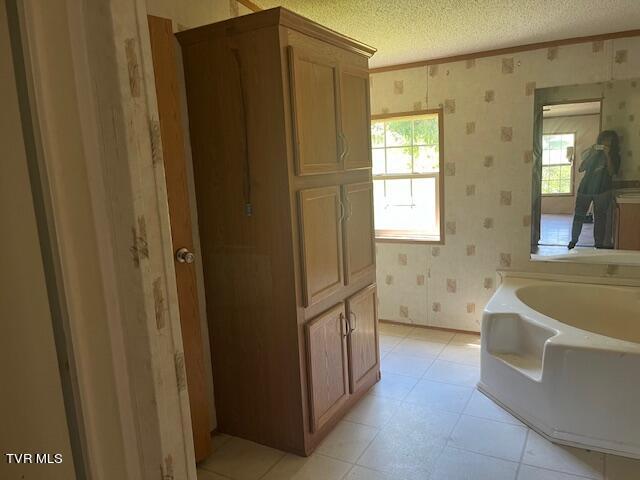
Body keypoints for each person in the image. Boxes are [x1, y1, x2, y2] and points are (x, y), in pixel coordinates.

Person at [568, 130, 621, 249]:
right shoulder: (594, 154)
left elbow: (612, 172)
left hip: (603, 191)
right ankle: (573, 240)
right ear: (600, 140)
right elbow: (581, 169)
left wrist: (607, 155)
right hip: (585, 189)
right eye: (603, 139)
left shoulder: (615, 156)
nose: (606, 142)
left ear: (613, 142)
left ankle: (598, 243)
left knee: (600, 218)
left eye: (609, 140)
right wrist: (591, 154)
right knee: (579, 216)